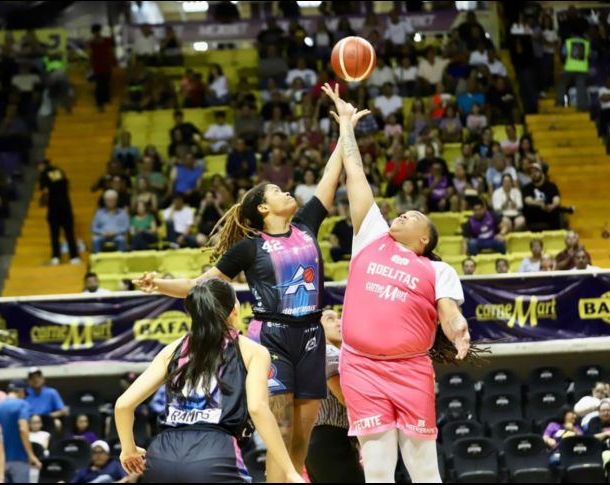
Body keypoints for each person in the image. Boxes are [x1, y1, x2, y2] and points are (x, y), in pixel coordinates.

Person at [133, 86, 353, 482]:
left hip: (311, 337)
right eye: (278, 191)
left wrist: (346, 128)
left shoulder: (305, 227)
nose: (288, 191)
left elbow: (329, 178)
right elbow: (203, 286)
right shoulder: (250, 249)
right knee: (280, 431)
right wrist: (160, 284)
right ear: (264, 209)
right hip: (273, 336)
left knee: (302, 436)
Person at [325, 84, 473, 482]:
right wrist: (346, 127)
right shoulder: (371, 235)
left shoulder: (436, 270)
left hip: (409, 369)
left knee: (424, 471)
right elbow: (354, 174)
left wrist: (457, 326)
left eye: (413, 216)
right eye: (403, 212)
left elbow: (449, 311)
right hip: (360, 366)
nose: (403, 215)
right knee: (376, 471)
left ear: (424, 240)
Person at [115, 279, 304, 483]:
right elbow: (258, 409)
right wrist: (290, 471)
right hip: (215, 450)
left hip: (162, 454)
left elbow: (123, 405)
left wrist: (128, 449)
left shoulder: (172, 350)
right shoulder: (252, 351)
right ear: (234, 310)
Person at [305, 309, 365, 483]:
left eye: (339, 318)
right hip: (331, 441)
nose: (339, 322)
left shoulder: (315, 355)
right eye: (330, 320)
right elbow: (345, 397)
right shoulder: (329, 352)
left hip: (319, 443)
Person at [0, 380, 42, 483]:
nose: (25, 396)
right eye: (25, 394)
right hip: (19, 459)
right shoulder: (22, 404)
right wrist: (31, 455)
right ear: (21, 391)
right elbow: (23, 428)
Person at [38, 160, 80, 265]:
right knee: (69, 233)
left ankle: (56, 257)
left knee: (54, 234)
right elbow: (67, 184)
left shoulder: (44, 174)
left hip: (54, 208)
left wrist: (42, 200)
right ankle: (74, 257)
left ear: (43, 165)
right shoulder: (60, 171)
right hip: (66, 207)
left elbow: (45, 191)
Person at [555, 31, 589, 111]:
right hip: (582, 68)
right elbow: (588, 55)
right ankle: (582, 106)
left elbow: (563, 54)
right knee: (581, 87)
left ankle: (560, 102)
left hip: (570, 68)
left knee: (563, 84)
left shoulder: (568, 42)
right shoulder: (586, 43)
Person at [89, 24, 115, 111]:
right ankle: (100, 103)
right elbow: (91, 56)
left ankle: (106, 100)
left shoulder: (107, 41)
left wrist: (112, 62)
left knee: (106, 84)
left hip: (105, 66)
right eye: (95, 32)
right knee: (100, 85)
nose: (97, 33)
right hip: (98, 67)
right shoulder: (92, 43)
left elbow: (111, 52)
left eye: (98, 31)